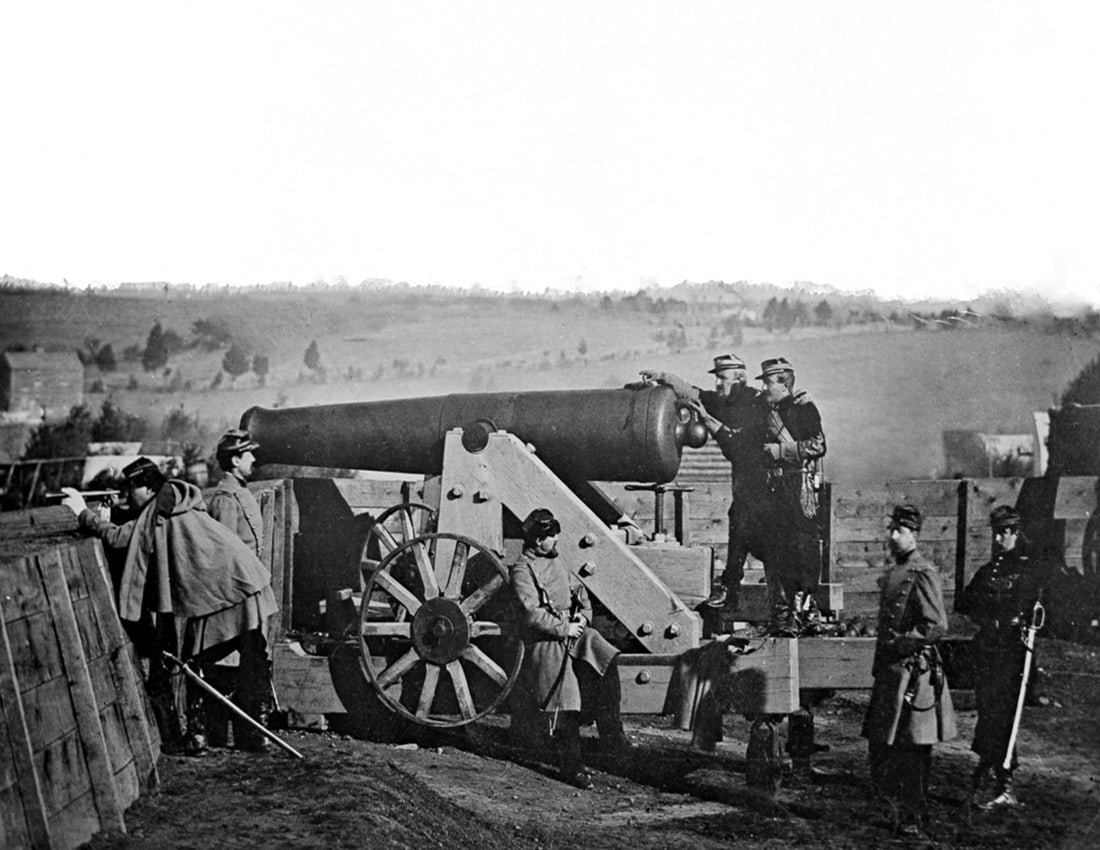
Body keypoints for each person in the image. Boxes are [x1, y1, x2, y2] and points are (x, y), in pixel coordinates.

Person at [61, 457, 277, 755]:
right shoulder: (179, 500)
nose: (129, 498)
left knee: (194, 662)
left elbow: (121, 538)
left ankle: (197, 736)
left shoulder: (158, 511)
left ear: (146, 487)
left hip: (221, 593)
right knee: (253, 654)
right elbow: (143, 528)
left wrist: (83, 512)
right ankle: (257, 736)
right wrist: (115, 511)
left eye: (130, 491)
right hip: (245, 580)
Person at [509, 508, 631, 789]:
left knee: (605, 657)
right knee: (566, 700)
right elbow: (531, 614)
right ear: (538, 541)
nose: (556, 540)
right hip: (546, 639)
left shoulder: (558, 561)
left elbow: (580, 593)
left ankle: (614, 743)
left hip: (573, 630)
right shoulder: (522, 569)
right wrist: (564, 629)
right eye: (552, 536)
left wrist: (582, 618)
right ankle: (572, 767)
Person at [640, 354, 766, 612]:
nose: (718, 383)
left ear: (740, 378)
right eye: (717, 378)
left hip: (764, 475)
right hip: (743, 477)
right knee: (740, 524)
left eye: (723, 378)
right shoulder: (719, 401)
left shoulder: (756, 403)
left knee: (763, 536)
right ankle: (731, 590)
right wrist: (662, 376)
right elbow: (691, 392)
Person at [862, 504, 957, 837]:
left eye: (898, 531)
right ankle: (896, 811)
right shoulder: (894, 573)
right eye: (890, 529)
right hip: (891, 674)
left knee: (913, 750)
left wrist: (905, 642)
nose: (891, 536)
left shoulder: (922, 573)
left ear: (913, 534)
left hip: (914, 674)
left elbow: (936, 624)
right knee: (883, 746)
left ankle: (913, 817)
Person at [956, 505, 1049, 809]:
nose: (998, 539)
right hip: (988, 651)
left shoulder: (1029, 571)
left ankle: (1004, 779)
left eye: (1004, 533)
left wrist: (1025, 620)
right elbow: (967, 602)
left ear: (1015, 534)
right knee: (987, 710)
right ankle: (987, 765)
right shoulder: (987, 571)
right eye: (996, 533)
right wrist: (986, 617)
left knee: (1004, 715)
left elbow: (1039, 612)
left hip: (1013, 654)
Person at [206, 428, 272, 750]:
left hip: (250, 595)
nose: (254, 459)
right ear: (235, 460)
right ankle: (230, 735)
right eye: (249, 455)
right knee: (233, 667)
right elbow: (224, 555)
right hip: (235, 599)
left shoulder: (241, 493)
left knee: (253, 661)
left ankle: (251, 735)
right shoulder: (225, 499)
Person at [756, 357, 827, 636]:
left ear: (784, 383)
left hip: (800, 486)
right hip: (775, 489)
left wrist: (780, 452)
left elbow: (818, 445)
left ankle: (808, 610)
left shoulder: (804, 408)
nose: (764, 386)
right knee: (776, 548)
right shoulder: (765, 411)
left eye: (768, 381)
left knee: (804, 548)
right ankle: (784, 614)